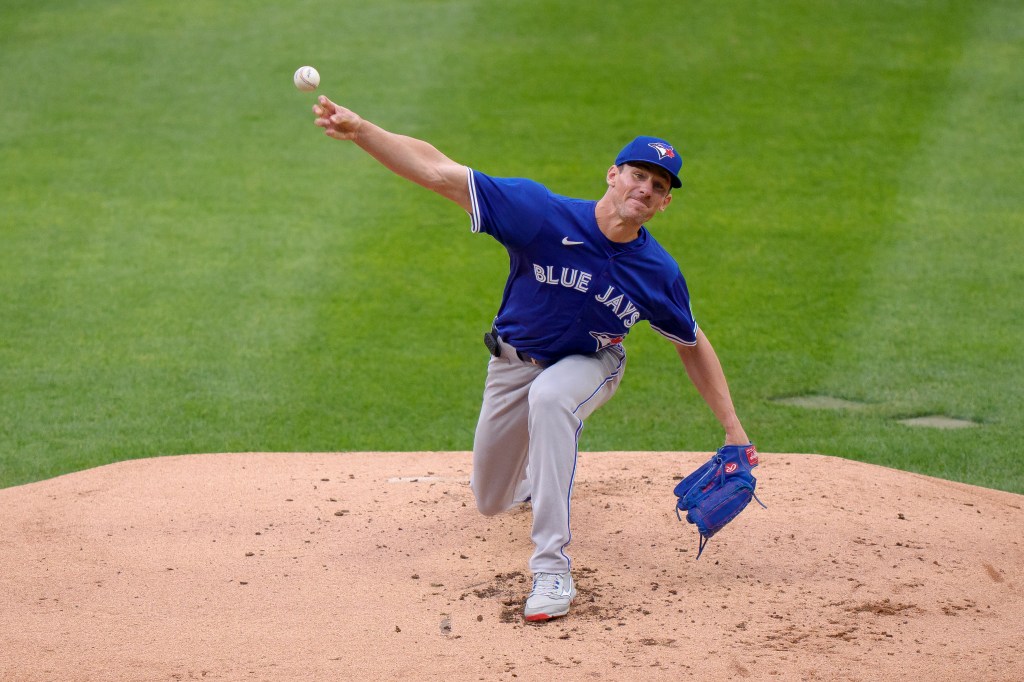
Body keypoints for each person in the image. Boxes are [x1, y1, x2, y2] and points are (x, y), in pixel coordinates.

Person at [312, 96, 751, 622]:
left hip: (592, 364)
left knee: (550, 400)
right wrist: (361, 130)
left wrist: (734, 430)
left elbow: (691, 341)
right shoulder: (539, 213)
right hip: (511, 363)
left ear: (664, 205)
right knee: (491, 500)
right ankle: (537, 476)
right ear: (613, 175)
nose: (646, 189)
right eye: (639, 175)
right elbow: (437, 170)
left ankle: (552, 570)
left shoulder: (657, 272)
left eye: (659, 187)